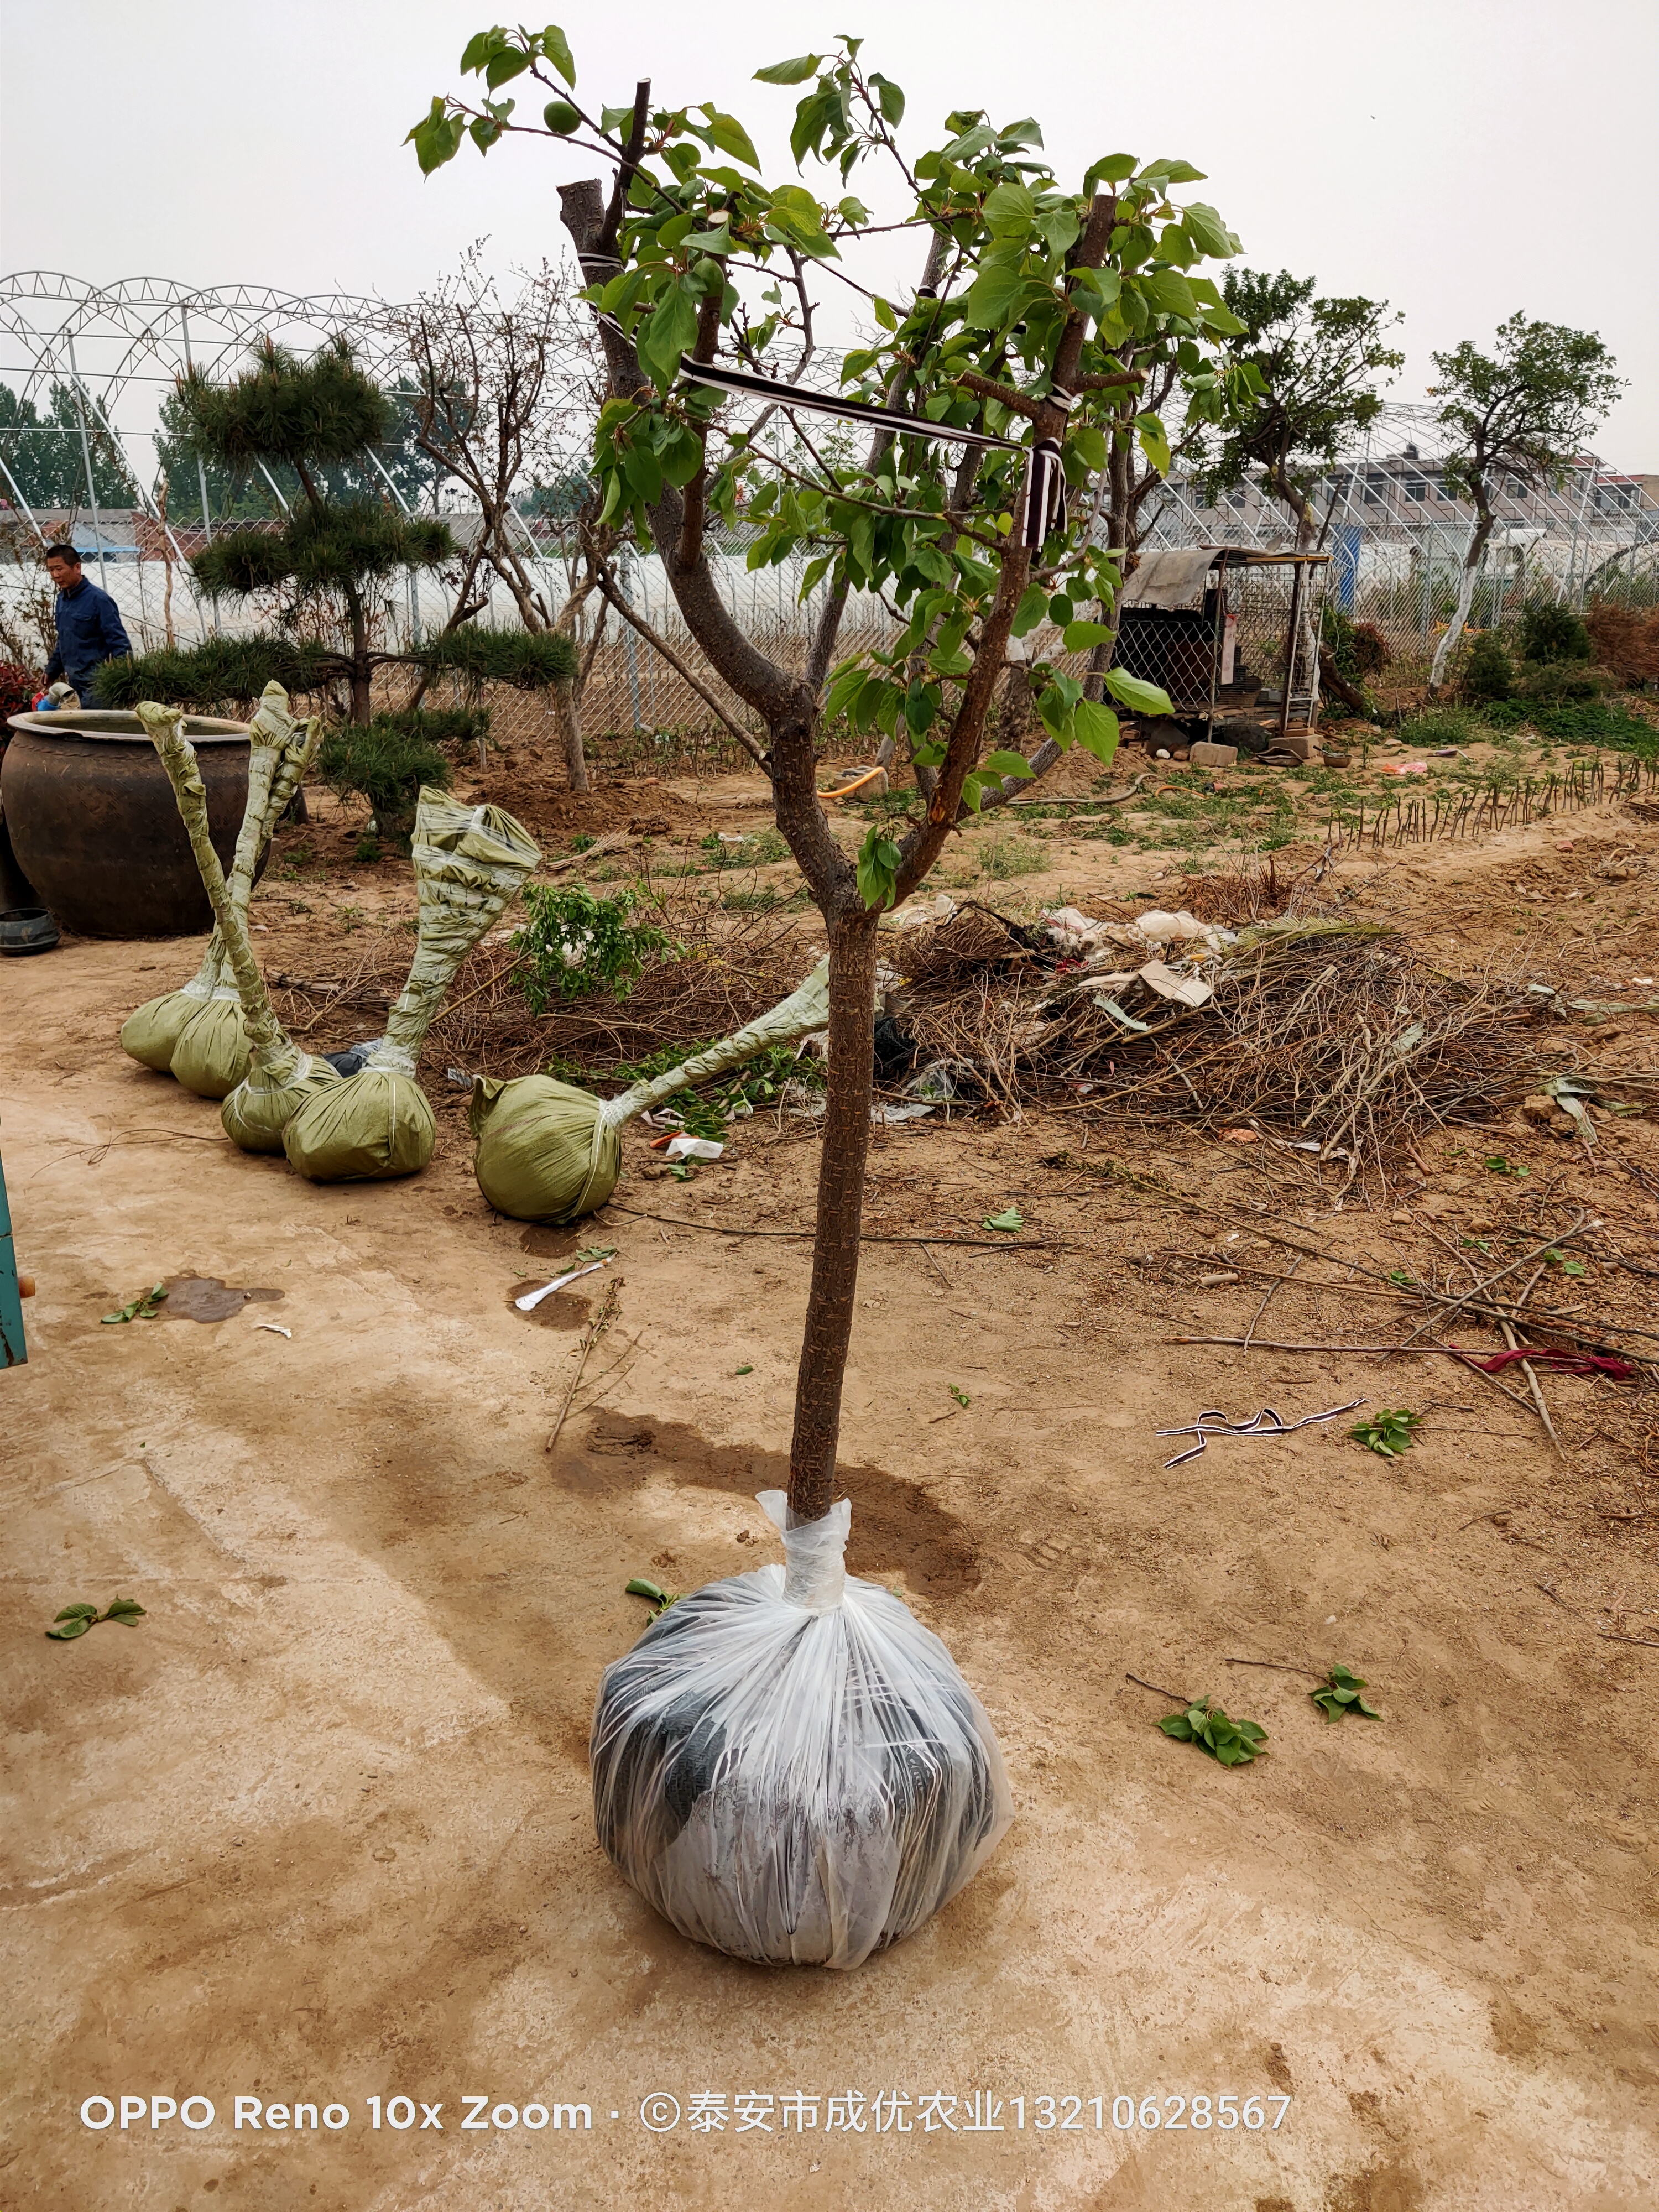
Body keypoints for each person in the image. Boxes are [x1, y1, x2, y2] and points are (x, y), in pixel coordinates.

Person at [43, 543, 132, 708]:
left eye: (59, 569)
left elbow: (120, 644)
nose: (55, 575)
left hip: (98, 686)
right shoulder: (62, 600)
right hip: (75, 685)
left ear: (77, 567)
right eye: (51, 570)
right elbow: (64, 639)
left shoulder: (99, 601)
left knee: (94, 730)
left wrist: (124, 682)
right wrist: (52, 670)